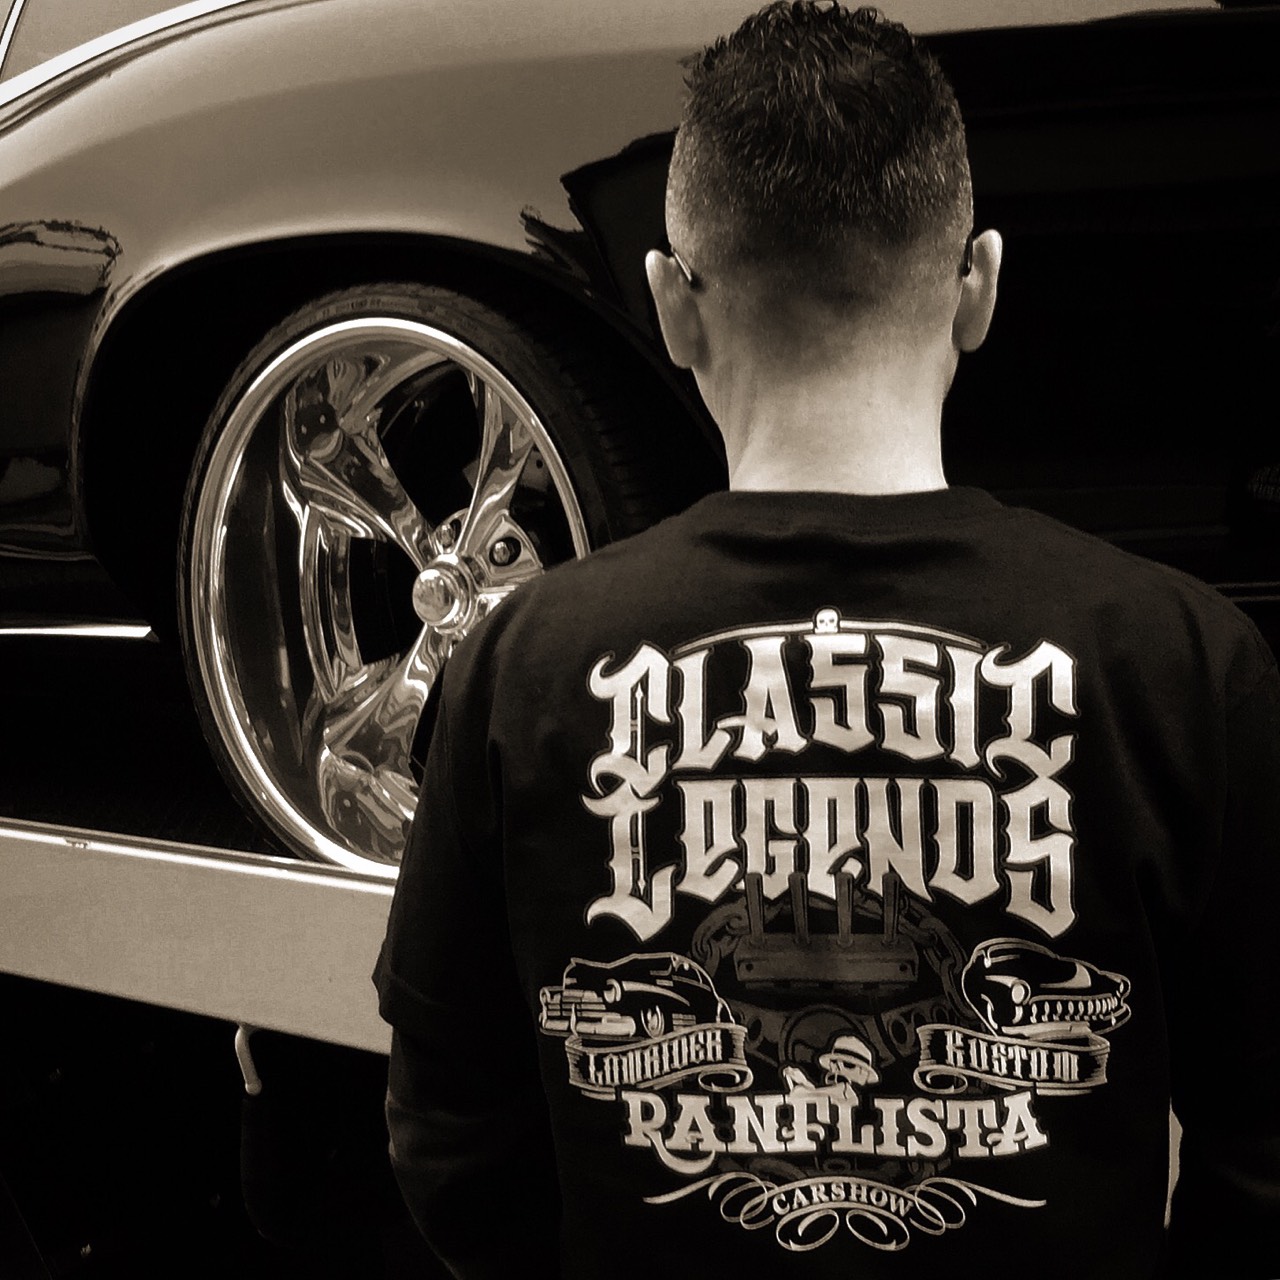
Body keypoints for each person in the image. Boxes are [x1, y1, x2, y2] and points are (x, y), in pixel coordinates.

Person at [373, 4, 1280, 1276]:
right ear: (976, 286)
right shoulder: (1183, 659)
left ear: (671, 307)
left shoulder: (517, 666)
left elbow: (450, 1139)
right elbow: (1264, 1153)